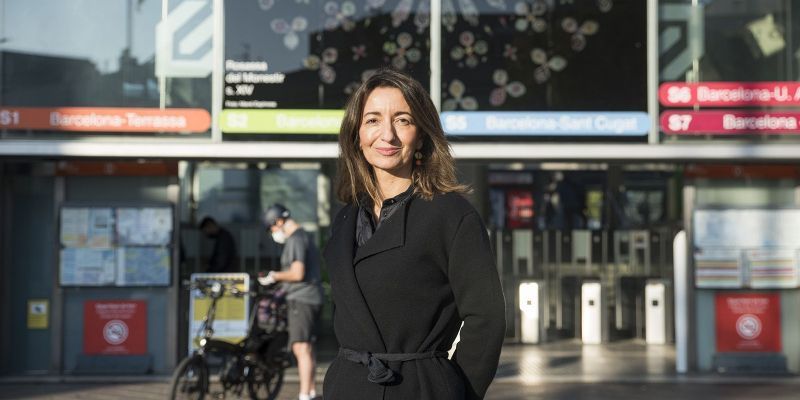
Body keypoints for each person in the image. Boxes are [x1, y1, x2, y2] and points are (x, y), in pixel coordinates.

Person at [322, 68, 506, 400]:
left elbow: (487, 319)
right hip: (347, 388)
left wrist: (454, 391)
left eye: (403, 120)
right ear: (356, 134)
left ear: (421, 135)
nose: (387, 135)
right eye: (373, 120)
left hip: (420, 389)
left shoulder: (452, 214)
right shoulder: (345, 217)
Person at [259, 204, 324, 400]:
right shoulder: (303, 236)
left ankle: (304, 394)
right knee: (307, 346)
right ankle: (311, 392)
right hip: (311, 297)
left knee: (300, 346)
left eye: (271, 227)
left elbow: (297, 273)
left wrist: (274, 276)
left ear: (278, 221)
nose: (273, 232)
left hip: (301, 298)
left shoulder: (295, 239)